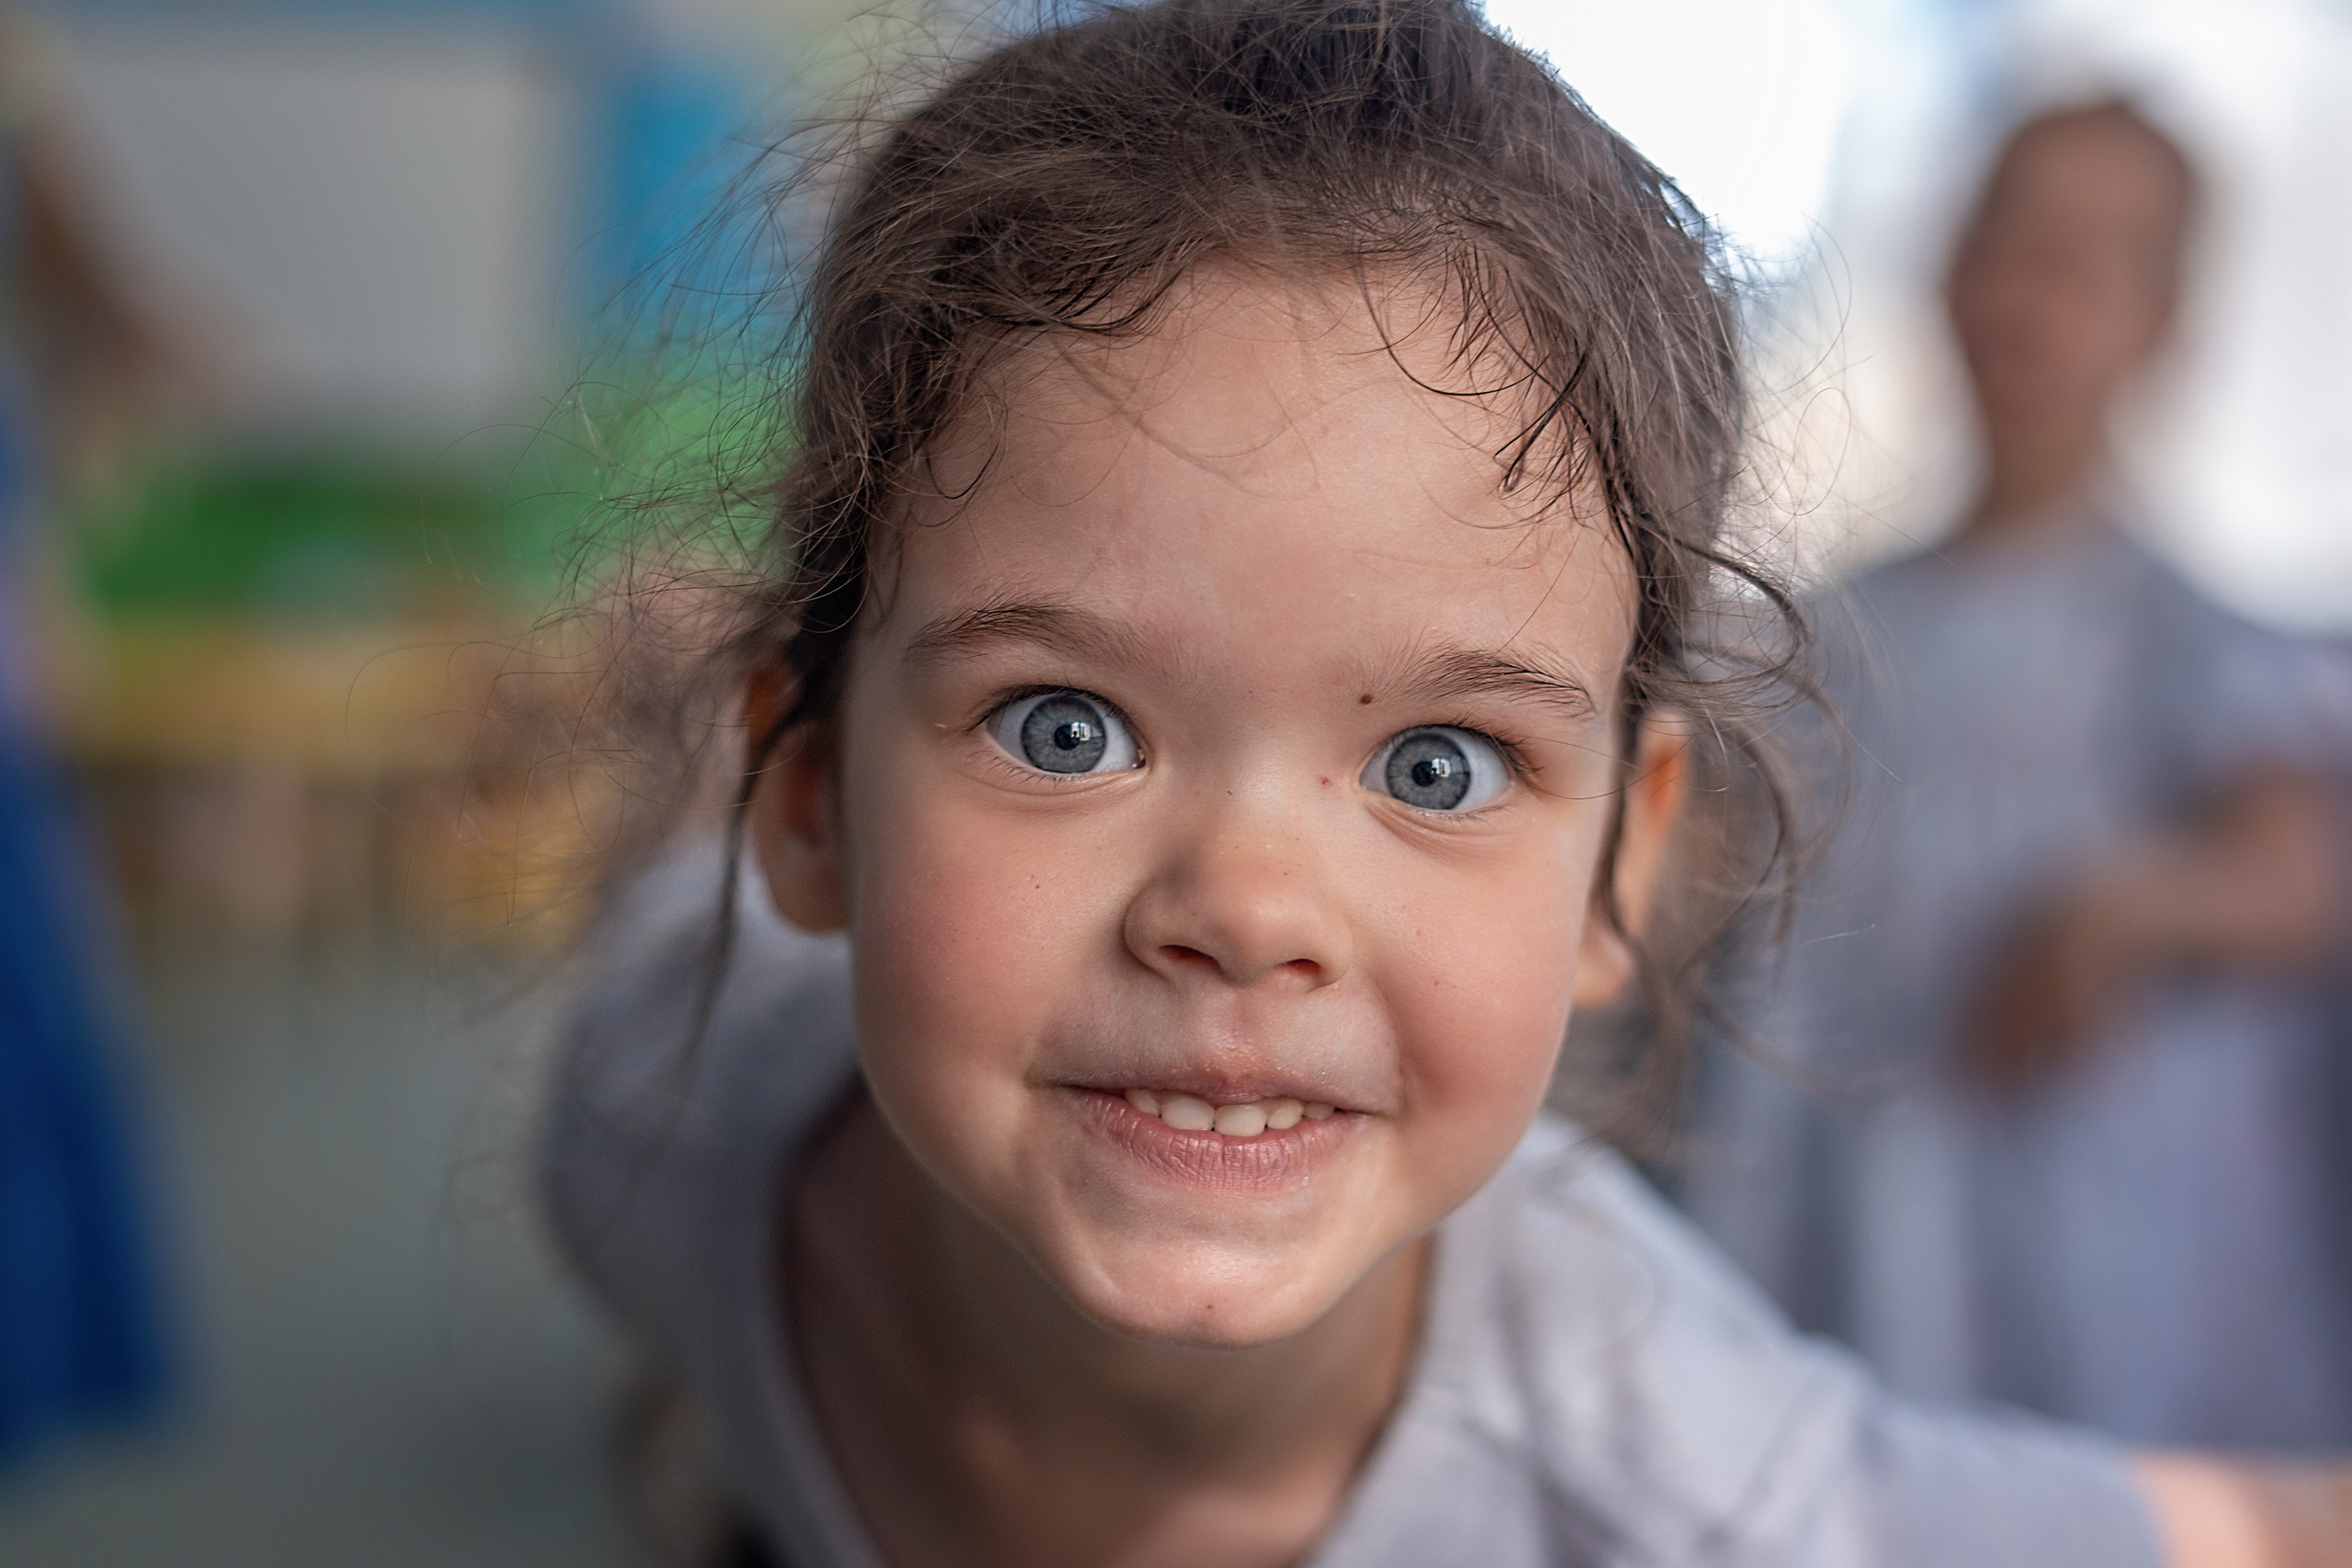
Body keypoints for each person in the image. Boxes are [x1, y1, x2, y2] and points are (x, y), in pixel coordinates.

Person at [540, 7, 2352, 1563]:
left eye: (1435, 761)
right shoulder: (657, 1107)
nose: (1244, 907)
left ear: (1617, 873)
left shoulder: (1671, 1471)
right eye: (1062, 724)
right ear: (805, 803)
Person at [1683, 101, 2352, 1451]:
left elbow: (2305, 877)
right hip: (1850, 1255)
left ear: (2165, 324)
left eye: (2089, 262)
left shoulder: (2195, 644)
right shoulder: (1825, 638)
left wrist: (2123, 908)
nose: (2031, 295)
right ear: (1945, 269)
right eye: (2009, 239)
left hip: (2109, 1304)